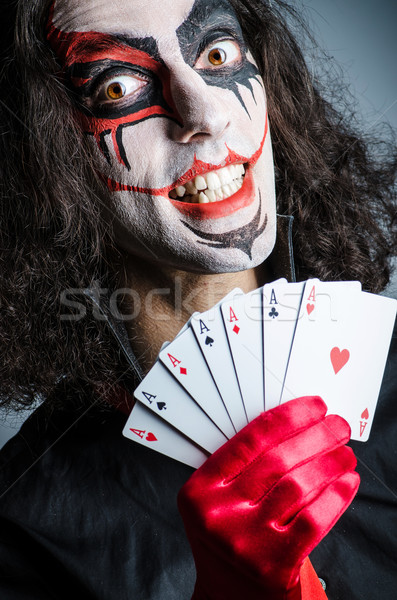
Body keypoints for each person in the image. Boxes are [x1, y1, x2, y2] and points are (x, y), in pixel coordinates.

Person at [0, 0, 396, 598]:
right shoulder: (25, 522)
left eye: (216, 54)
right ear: (46, 161)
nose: (205, 112)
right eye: (117, 87)